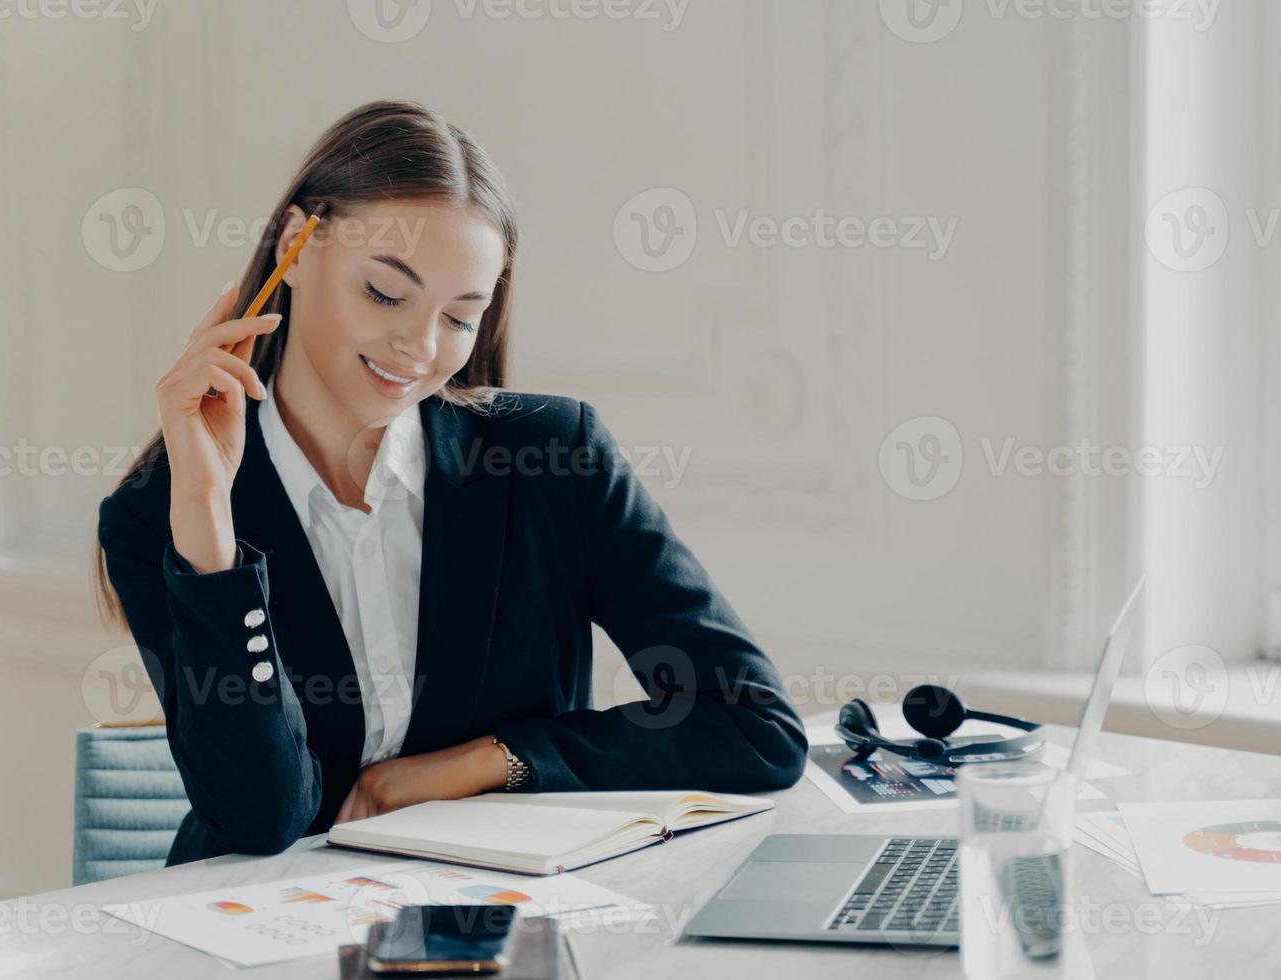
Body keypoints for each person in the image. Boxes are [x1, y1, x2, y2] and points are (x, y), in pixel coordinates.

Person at [93, 99, 807, 867]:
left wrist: (485, 762)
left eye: (460, 317)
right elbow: (262, 818)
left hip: (501, 915)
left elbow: (754, 725)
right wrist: (209, 529)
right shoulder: (152, 517)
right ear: (295, 249)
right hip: (256, 926)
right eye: (386, 294)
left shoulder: (552, 458)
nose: (420, 347)